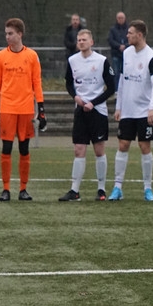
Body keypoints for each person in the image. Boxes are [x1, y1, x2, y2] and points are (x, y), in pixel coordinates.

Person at [0, 18, 45, 201]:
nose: (7, 37)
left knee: (24, 148)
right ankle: (6, 189)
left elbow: (37, 83)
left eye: (11, 33)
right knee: (6, 148)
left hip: (26, 108)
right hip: (7, 108)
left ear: (20, 34)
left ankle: (23, 189)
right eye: (6, 33)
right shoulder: (1, 56)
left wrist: (41, 109)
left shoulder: (32, 56)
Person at [58, 29, 117, 201]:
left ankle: (101, 189)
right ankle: (74, 191)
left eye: (84, 39)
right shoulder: (72, 60)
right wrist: (75, 97)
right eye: (79, 40)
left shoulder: (101, 61)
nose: (81, 42)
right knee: (79, 149)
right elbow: (69, 83)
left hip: (98, 112)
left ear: (91, 42)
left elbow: (111, 88)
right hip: (80, 111)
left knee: (99, 150)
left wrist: (94, 103)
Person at [109, 19, 153, 201]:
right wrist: (119, 106)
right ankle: (117, 187)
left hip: (144, 111)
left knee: (144, 146)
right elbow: (122, 81)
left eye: (130, 33)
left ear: (139, 35)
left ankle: (148, 189)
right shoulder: (127, 53)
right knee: (123, 145)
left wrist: (152, 108)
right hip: (128, 111)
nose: (127, 35)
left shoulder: (151, 57)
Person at [106, 11, 129, 89]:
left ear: (125, 18)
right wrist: (119, 46)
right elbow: (110, 40)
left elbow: (131, 40)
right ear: (116, 19)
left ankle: (125, 88)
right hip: (116, 54)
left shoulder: (129, 29)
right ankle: (116, 89)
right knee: (116, 72)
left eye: (122, 18)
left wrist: (125, 46)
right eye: (119, 18)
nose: (120, 19)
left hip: (126, 55)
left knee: (126, 73)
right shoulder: (112, 29)